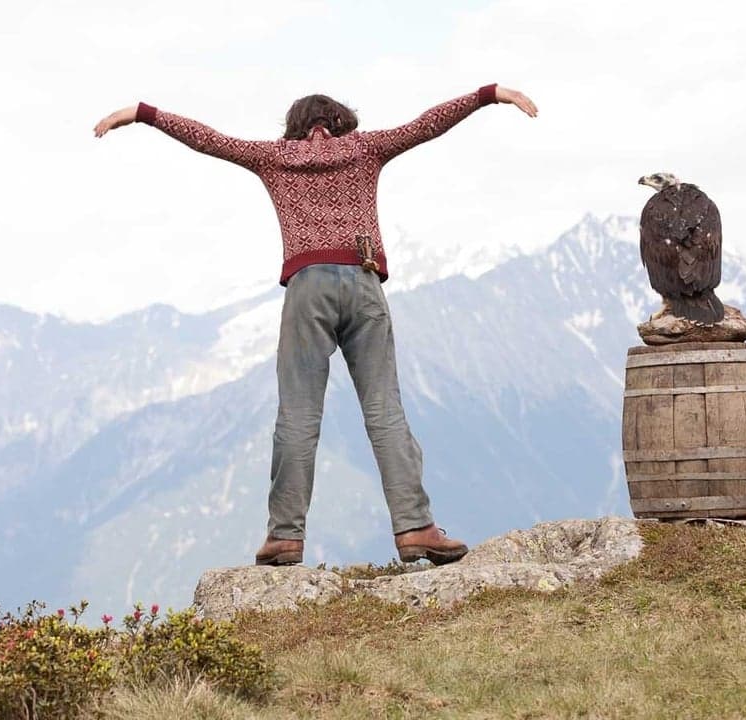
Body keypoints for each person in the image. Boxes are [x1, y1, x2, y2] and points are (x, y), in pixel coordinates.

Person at [93, 83, 538, 566]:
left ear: (294, 129)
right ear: (345, 123)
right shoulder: (365, 148)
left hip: (307, 289)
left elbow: (209, 139)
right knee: (385, 411)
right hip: (365, 283)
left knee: (298, 417)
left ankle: (285, 536)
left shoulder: (275, 157)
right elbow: (427, 124)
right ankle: (415, 527)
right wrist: (489, 94)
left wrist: (143, 112)